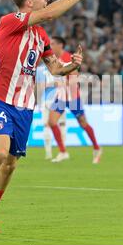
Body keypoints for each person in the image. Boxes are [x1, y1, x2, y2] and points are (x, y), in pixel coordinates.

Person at [0, 0, 102, 234]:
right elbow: (50, 13)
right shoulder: (9, 21)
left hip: (24, 107)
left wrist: (71, 65)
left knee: (11, 164)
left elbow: (54, 69)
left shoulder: (40, 36)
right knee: (0, 152)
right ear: (29, 2)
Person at [48, 36, 102, 164]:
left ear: (61, 45)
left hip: (72, 96)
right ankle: (63, 152)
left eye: (53, 43)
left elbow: (74, 76)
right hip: (61, 95)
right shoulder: (52, 59)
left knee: (83, 123)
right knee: (52, 121)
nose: (50, 46)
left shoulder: (68, 57)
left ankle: (97, 148)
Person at [36, 61, 67, 160]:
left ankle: (49, 153)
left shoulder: (40, 70)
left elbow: (40, 87)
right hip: (58, 99)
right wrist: (53, 83)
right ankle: (62, 151)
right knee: (61, 124)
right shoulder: (58, 65)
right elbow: (63, 83)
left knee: (47, 125)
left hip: (49, 100)